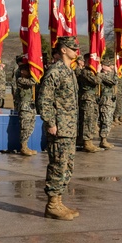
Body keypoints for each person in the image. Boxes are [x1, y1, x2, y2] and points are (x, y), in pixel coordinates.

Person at [38, 36, 81, 220]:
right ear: (63, 50)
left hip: (69, 128)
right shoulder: (55, 71)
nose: (76, 51)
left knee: (66, 166)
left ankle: (59, 201)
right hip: (60, 129)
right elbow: (44, 100)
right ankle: (52, 205)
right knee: (57, 166)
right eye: (73, 48)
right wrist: (51, 123)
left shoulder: (69, 71)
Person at [13, 56, 38, 155]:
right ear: (23, 71)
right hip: (25, 106)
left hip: (31, 106)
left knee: (31, 127)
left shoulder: (26, 78)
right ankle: (23, 147)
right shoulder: (20, 80)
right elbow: (34, 81)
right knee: (25, 127)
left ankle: (26, 146)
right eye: (28, 70)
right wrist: (35, 74)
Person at [76, 62, 101, 152]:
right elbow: (97, 81)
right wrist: (98, 72)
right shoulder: (86, 72)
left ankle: (87, 141)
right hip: (87, 98)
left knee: (90, 119)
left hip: (91, 98)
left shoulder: (89, 71)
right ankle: (86, 142)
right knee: (87, 120)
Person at [97, 55, 117, 148]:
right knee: (105, 120)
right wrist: (116, 73)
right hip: (105, 101)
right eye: (108, 66)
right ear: (103, 66)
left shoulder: (107, 75)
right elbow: (113, 81)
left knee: (108, 120)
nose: (111, 67)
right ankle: (103, 140)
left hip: (110, 101)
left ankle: (105, 139)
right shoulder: (102, 75)